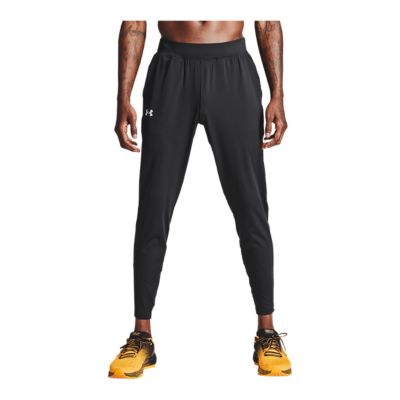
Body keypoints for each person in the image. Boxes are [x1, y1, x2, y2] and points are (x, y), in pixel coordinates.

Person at [109, 20, 291, 378]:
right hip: (171, 69)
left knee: (251, 207)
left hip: (232, 68)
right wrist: (122, 97)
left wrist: (278, 94)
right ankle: (141, 336)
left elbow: (268, 19)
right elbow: (134, 21)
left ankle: (267, 332)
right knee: (153, 206)